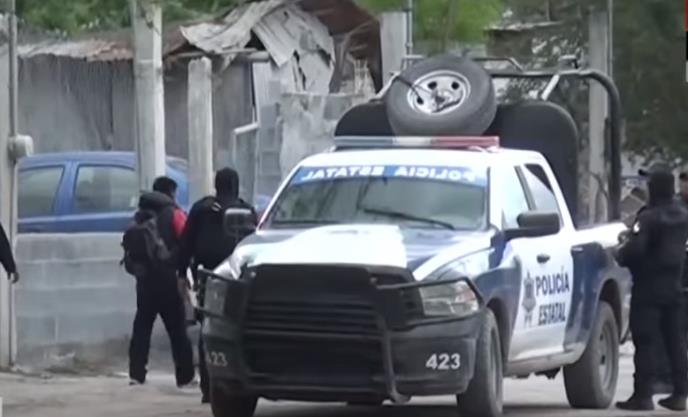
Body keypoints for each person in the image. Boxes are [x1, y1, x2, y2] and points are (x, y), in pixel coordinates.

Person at [178, 167, 258, 403]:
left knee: (209, 327)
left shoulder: (201, 209)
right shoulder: (246, 210)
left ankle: (209, 388)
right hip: (239, 279)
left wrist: (181, 274)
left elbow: (186, 244)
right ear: (236, 185)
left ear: (216, 184)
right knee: (238, 328)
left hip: (207, 277)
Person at [615, 164, 688, 411]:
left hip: (648, 289)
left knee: (645, 341)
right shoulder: (682, 215)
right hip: (674, 288)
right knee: (675, 342)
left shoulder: (648, 218)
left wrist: (619, 254)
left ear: (655, 188)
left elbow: (636, 250)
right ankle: (680, 394)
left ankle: (643, 395)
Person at [124, 177, 195, 388]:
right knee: (177, 330)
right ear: (170, 193)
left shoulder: (140, 215)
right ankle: (185, 376)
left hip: (144, 280)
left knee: (142, 327)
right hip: (168, 279)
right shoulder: (174, 214)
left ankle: (136, 373)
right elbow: (187, 241)